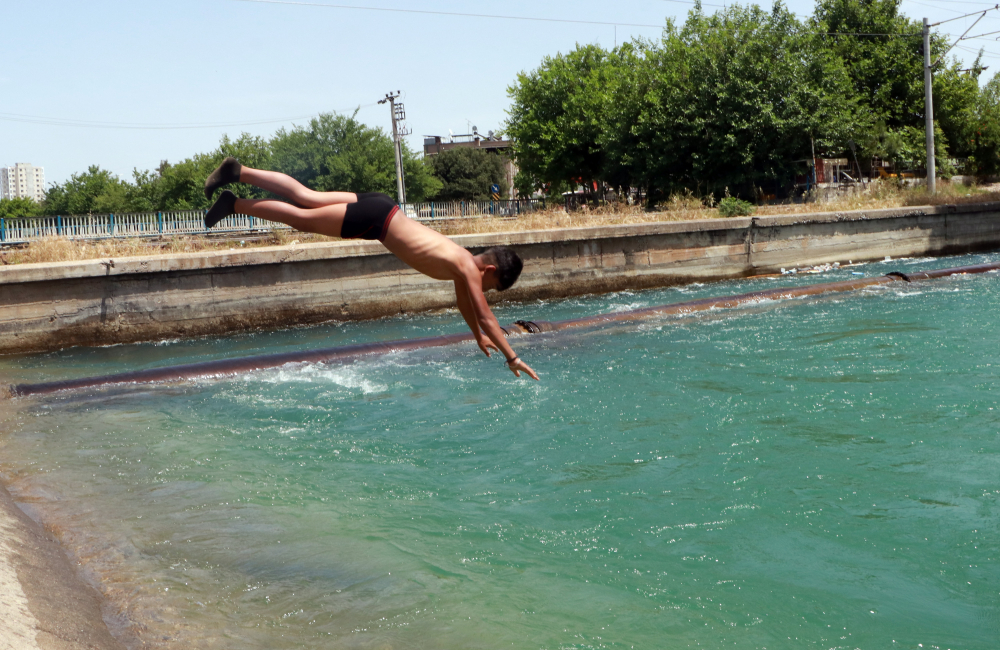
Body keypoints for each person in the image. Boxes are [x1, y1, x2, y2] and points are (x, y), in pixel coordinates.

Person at [203, 157, 539, 380]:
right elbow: (485, 315)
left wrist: (477, 336)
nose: (485, 292)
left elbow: (467, 306)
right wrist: (512, 357)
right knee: (301, 217)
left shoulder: (461, 262)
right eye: (491, 287)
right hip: (376, 220)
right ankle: (233, 203)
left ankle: (239, 172)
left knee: (307, 196)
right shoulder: (466, 265)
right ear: (490, 269)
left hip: (382, 206)